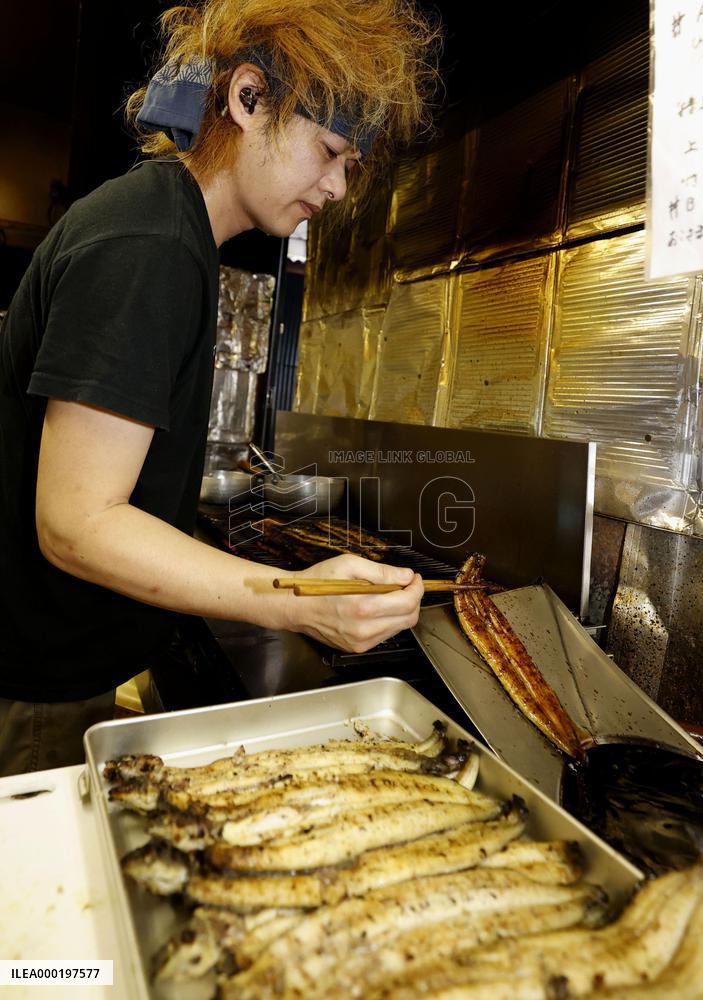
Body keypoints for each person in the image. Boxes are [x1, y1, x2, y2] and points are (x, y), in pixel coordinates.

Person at [0, 0, 441, 775]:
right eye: (330, 151)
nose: (337, 188)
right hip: (35, 685)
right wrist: (292, 597)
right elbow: (74, 522)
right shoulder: (147, 244)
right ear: (247, 99)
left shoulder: (177, 235)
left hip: (63, 667)